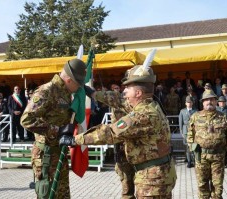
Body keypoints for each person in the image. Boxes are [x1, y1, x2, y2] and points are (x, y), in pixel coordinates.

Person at [60, 64, 177, 198]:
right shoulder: (151, 105)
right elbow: (118, 100)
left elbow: (111, 133)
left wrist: (75, 139)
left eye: (128, 88)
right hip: (156, 174)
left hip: (152, 180)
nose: (125, 92)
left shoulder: (143, 115)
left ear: (138, 93)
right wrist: (92, 93)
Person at [20, 58, 87, 199]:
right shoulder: (47, 91)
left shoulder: (66, 93)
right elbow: (26, 120)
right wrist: (57, 130)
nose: (80, 87)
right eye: (78, 83)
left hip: (59, 153)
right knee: (48, 195)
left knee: (62, 194)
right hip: (46, 155)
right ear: (69, 79)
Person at [187, 89, 227, 199]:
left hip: (218, 157)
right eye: (206, 100)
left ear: (216, 101)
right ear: (202, 102)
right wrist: (192, 150)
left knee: (217, 188)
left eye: (212, 99)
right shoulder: (195, 116)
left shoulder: (223, 117)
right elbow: (190, 135)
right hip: (201, 157)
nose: (209, 102)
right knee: (202, 186)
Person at [178, 96, 197, 168]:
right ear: (185, 103)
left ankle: (194, 160)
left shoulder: (195, 111)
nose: (189, 104)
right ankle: (189, 161)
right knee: (187, 147)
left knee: (194, 146)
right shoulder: (182, 111)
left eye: (190, 102)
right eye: (187, 102)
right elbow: (180, 122)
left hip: (194, 130)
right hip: (186, 130)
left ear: (192, 103)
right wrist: (181, 132)